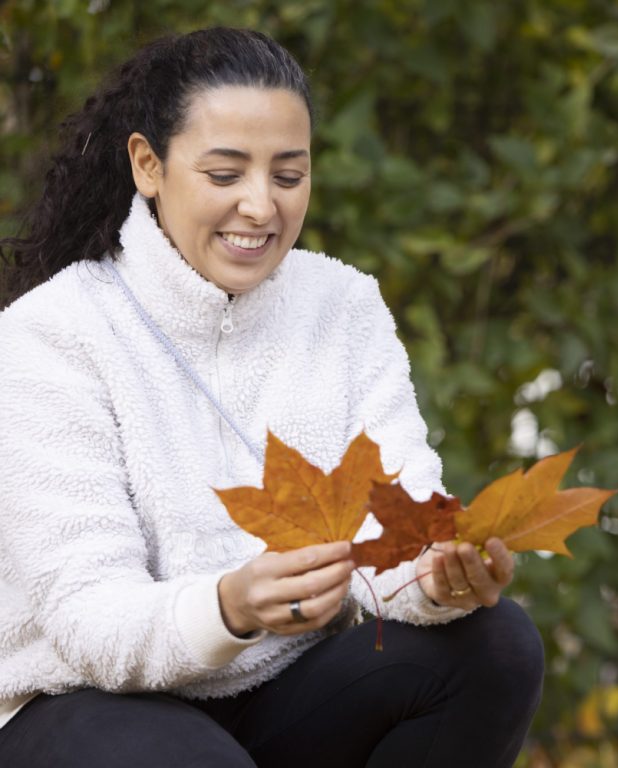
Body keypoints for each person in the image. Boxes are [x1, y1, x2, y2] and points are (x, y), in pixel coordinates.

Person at [0, 27, 543, 767]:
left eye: (288, 177)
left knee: (496, 644)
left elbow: (400, 528)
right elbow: (91, 622)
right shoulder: (53, 334)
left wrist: (442, 578)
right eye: (225, 175)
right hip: (85, 703)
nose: (260, 207)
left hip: (281, 693)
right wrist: (229, 605)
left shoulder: (342, 305)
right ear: (148, 165)